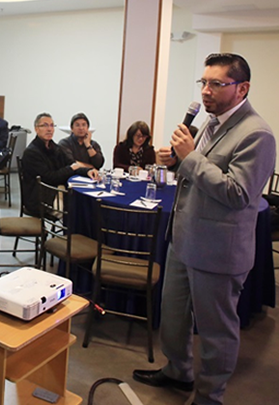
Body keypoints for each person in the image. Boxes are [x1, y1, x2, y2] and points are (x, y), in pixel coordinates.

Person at [133, 53, 276, 405]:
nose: (206, 91)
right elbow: (199, 175)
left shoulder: (257, 134)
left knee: (216, 332)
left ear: (242, 88)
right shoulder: (212, 123)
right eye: (204, 82)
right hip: (184, 241)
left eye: (216, 83)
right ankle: (178, 371)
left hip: (218, 251)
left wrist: (190, 157)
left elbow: (238, 193)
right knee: (173, 317)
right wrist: (177, 160)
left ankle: (210, 395)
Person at [21, 112, 98, 218]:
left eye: (52, 125)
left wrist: (87, 171)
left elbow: (71, 164)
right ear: (36, 129)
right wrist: (70, 169)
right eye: (45, 125)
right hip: (40, 197)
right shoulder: (32, 152)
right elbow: (50, 178)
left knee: (85, 202)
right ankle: (72, 228)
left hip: (54, 188)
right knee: (79, 207)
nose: (49, 129)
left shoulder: (53, 147)